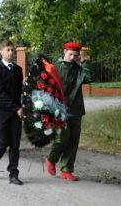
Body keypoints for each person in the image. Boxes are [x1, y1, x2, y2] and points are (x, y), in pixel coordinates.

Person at [45, 42, 91, 181]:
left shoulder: (79, 69)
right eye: (70, 54)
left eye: (75, 55)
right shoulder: (55, 68)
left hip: (76, 109)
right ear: (64, 51)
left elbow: (88, 79)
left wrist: (84, 62)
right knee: (62, 138)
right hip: (59, 109)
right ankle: (51, 159)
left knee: (73, 139)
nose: (72, 57)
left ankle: (66, 169)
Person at [0, 40, 24, 185]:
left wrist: (24, 105)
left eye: (12, 50)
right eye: (7, 50)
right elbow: (0, 94)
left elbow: (20, 91)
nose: (10, 53)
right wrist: (17, 107)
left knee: (15, 144)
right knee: (3, 142)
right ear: (1, 52)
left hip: (16, 113)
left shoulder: (18, 69)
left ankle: (13, 174)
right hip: (2, 112)